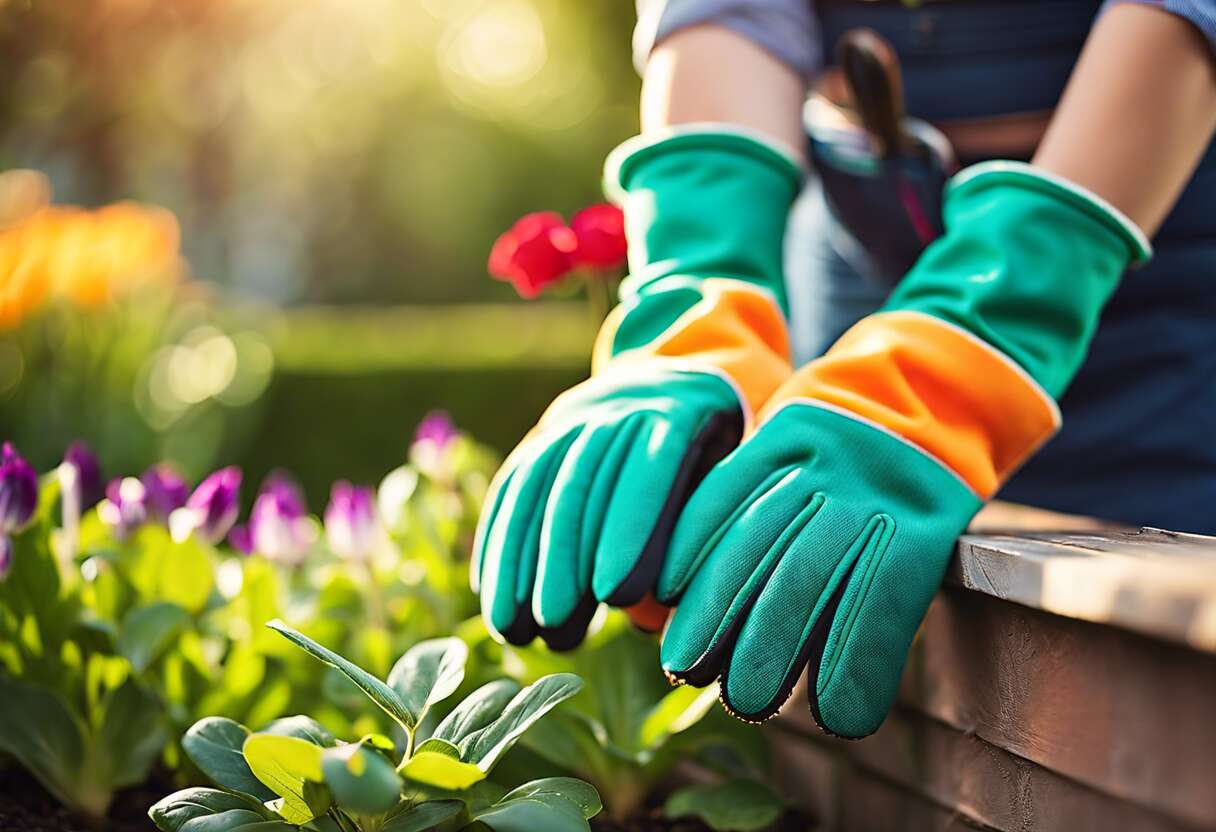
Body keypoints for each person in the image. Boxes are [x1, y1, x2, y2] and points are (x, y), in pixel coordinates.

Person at [473, 0, 1216, 739]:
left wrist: (978, 339)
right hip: (863, 260)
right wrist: (702, 289)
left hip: (1158, 270)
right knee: (847, 605)